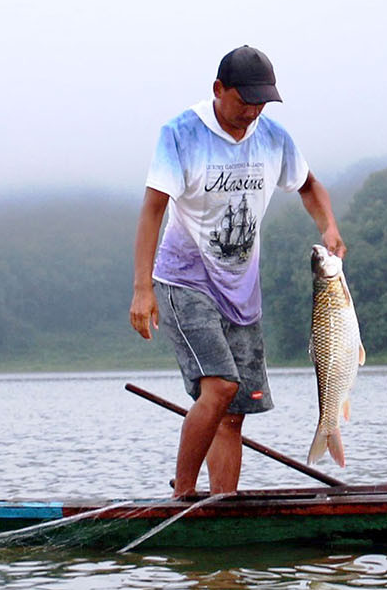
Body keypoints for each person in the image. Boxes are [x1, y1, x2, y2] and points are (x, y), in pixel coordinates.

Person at [129, 45, 346, 499]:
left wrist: (328, 226)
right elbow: (153, 210)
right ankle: (183, 498)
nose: (250, 111)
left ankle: (221, 505)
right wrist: (142, 288)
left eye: (260, 102)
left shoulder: (273, 137)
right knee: (220, 386)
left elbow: (309, 186)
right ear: (217, 90)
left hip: (241, 289)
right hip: (184, 279)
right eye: (242, 100)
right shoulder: (181, 134)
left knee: (233, 411)